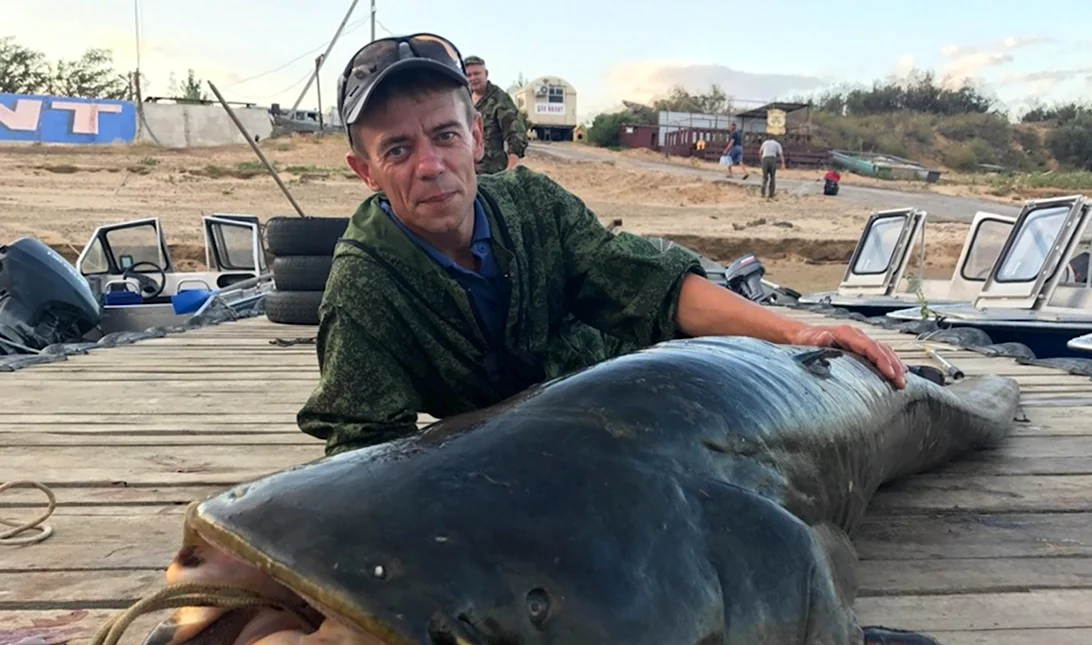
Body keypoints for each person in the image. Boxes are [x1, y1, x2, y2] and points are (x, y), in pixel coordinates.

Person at [295, 32, 907, 457]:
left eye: (445, 135)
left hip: (632, 395)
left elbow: (648, 285)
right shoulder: (362, 288)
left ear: (478, 138)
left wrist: (795, 333)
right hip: (506, 455)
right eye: (398, 149)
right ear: (365, 170)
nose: (430, 165)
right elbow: (365, 448)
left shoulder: (535, 204)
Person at [463, 54, 527, 174]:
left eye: (477, 73)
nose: (472, 78)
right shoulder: (463, 98)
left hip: (492, 173)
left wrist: (511, 168)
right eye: (468, 75)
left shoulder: (500, 99)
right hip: (467, 171)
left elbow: (517, 134)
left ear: (486, 74)